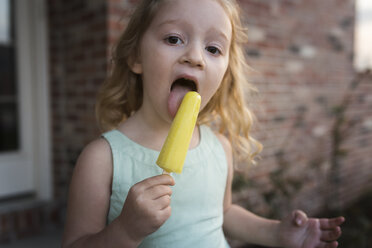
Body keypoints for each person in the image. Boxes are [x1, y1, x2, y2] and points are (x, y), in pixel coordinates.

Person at [61, 0, 345, 247]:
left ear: (224, 73)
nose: (195, 57)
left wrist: (276, 233)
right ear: (136, 57)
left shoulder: (219, 148)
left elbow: (224, 213)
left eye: (213, 48)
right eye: (174, 39)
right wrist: (124, 231)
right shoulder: (102, 159)